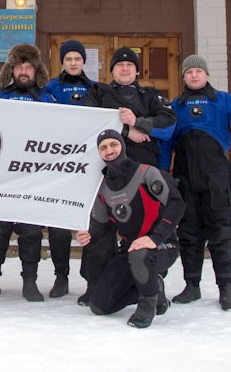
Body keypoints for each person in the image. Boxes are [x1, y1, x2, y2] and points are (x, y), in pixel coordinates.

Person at [157, 54, 231, 312]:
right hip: (185, 178)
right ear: (183, 77)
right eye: (189, 72)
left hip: (216, 179)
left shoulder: (224, 101)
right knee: (189, 234)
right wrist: (162, 172)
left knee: (221, 234)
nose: (194, 75)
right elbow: (167, 142)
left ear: (206, 75)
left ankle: (226, 289)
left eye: (198, 72)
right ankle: (192, 286)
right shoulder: (175, 105)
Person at [78, 47, 177, 305]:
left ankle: (152, 283)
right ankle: (95, 284)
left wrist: (140, 122)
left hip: (143, 178)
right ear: (111, 70)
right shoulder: (99, 92)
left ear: (136, 70)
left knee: (144, 227)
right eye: (119, 65)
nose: (124, 68)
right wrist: (125, 130)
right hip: (106, 176)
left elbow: (168, 126)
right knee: (99, 230)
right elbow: (86, 121)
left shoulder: (151, 96)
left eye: (129, 65)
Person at [76, 129, 185, 329]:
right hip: (128, 250)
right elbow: (101, 226)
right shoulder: (103, 188)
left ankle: (147, 304)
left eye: (113, 145)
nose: (109, 151)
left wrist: (155, 238)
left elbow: (176, 204)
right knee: (99, 306)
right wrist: (88, 234)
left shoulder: (147, 173)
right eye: (103, 148)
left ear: (123, 146)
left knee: (140, 254)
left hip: (162, 245)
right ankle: (154, 287)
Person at [0, 43, 55, 302]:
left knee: (31, 231)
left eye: (28, 67)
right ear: (12, 69)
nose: (23, 71)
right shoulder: (0, 96)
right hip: (3, 177)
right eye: (18, 66)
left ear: (36, 70)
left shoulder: (47, 99)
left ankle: (30, 281)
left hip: (32, 177)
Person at [40, 39, 96, 298]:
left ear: (84, 61)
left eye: (77, 59)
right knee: (59, 224)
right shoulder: (50, 88)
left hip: (89, 165)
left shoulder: (96, 89)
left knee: (91, 224)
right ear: (62, 62)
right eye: (68, 59)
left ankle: (92, 277)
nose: (73, 63)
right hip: (59, 164)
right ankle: (61, 275)